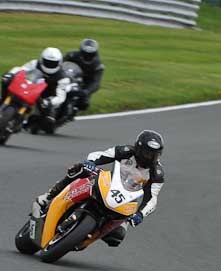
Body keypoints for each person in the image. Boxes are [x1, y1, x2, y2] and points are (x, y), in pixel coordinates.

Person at [37, 130, 165, 247]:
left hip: (126, 200)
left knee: (117, 236)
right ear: (138, 148)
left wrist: (140, 214)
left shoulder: (157, 174)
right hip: (108, 183)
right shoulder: (125, 151)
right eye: (146, 153)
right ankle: (49, 196)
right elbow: (101, 155)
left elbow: (152, 199)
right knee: (80, 170)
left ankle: (85, 238)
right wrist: (91, 162)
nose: (149, 158)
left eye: (153, 155)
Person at [1, 48, 71, 130]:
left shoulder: (63, 78)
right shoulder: (35, 63)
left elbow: (61, 97)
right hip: (31, 87)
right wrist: (10, 74)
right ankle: (3, 99)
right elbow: (22, 69)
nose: (50, 64)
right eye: (48, 62)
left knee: (48, 120)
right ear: (42, 59)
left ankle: (31, 123)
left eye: (53, 63)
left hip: (46, 96)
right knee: (6, 81)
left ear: (59, 63)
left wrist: (50, 102)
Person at [64, 38, 104, 111]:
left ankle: (72, 111)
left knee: (84, 104)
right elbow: (60, 65)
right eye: (85, 53)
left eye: (90, 54)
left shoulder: (98, 65)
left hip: (85, 84)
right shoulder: (71, 55)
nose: (87, 56)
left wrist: (87, 91)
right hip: (69, 77)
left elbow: (96, 82)